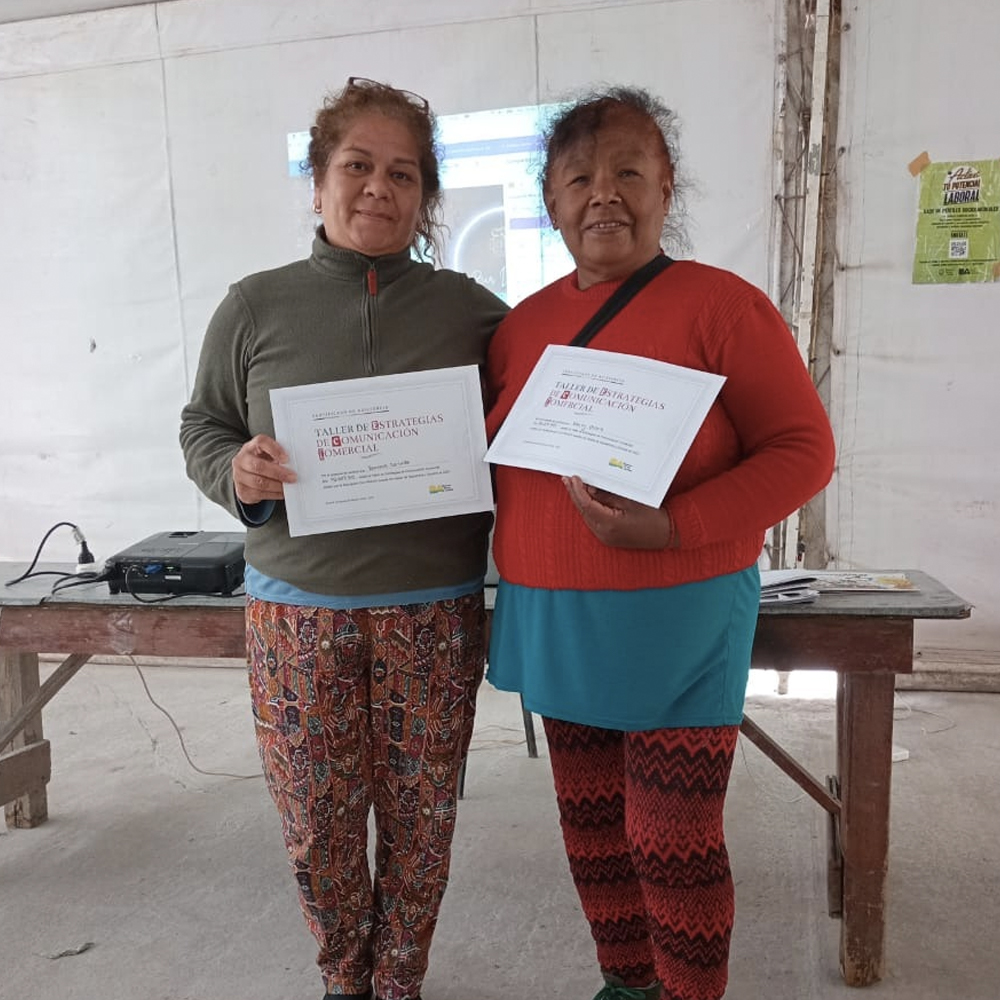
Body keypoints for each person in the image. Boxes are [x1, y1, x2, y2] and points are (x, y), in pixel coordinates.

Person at [485, 86, 836, 1000]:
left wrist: (675, 525)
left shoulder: (722, 308)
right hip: (555, 613)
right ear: (551, 202)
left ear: (666, 187)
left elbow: (803, 451)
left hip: (679, 614)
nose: (603, 194)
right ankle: (627, 986)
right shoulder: (520, 329)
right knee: (594, 832)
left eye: (628, 173)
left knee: (671, 840)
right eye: (579, 179)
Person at [179, 78, 508, 1000]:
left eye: (403, 174)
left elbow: (527, 418)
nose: (378, 188)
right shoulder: (255, 307)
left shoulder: (473, 311)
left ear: (425, 194)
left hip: (432, 613)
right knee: (317, 822)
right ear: (319, 180)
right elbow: (203, 425)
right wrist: (236, 473)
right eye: (357, 165)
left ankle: (399, 980)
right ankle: (342, 979)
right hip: (297, 615)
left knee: (422, 819)